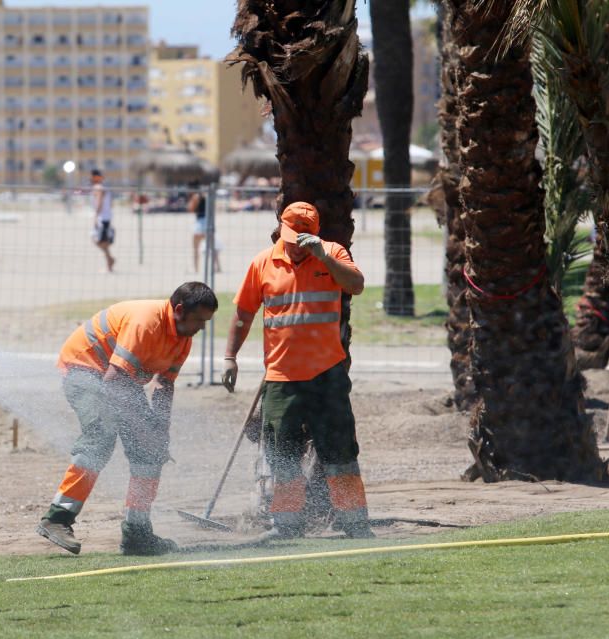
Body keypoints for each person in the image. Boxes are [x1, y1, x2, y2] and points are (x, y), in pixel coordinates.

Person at [221, 201, 374, 540]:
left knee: (340, 452)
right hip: (281, 377)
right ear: (280, 228)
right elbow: (243, 313)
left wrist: (325, 257)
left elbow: (356, 285)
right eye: (290, 236)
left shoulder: (332, 252)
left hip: (327, 375)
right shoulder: (263, 262)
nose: (294, 243)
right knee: (283, 455)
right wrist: (230, 356)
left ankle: (355, 524)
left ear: (314, 234)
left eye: (301, 237)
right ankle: (286, 527)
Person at [37, 282, 218, 556]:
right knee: (101, 436)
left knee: (151, 451)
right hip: (84, 369)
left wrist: (160, 430)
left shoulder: (183, 338)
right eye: (199, 320)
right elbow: (113, 382)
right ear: (179, 310)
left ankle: (137, 534)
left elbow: (163, 385)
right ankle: (57, 518)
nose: (202, 327)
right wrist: (142, 427)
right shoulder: (147, 324)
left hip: (120, 380)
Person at [89, 168, 116, 272]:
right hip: (106, 217)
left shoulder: (98, 187)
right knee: (101, 241)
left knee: (100, 241)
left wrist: (96, 216)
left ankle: (110, 263)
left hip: (102, 218)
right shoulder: (104, 187)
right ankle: (110, 260)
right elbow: (110, 203)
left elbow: (99, 202)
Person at [186, 183, 208, 275]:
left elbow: (190, 209)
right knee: (212, 247)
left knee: (196, 248)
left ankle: (196, 269)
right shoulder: (208, 195)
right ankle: (216, 267)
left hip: (200, 223)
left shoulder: (195, 196)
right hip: (208, 221)